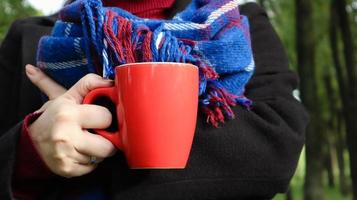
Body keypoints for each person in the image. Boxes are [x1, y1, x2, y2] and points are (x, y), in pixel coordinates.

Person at [0, 0, 309, 199]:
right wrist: (29, 151)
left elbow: (275, 147)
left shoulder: (238, 24)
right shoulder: (31, 38)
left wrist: (116, 143)